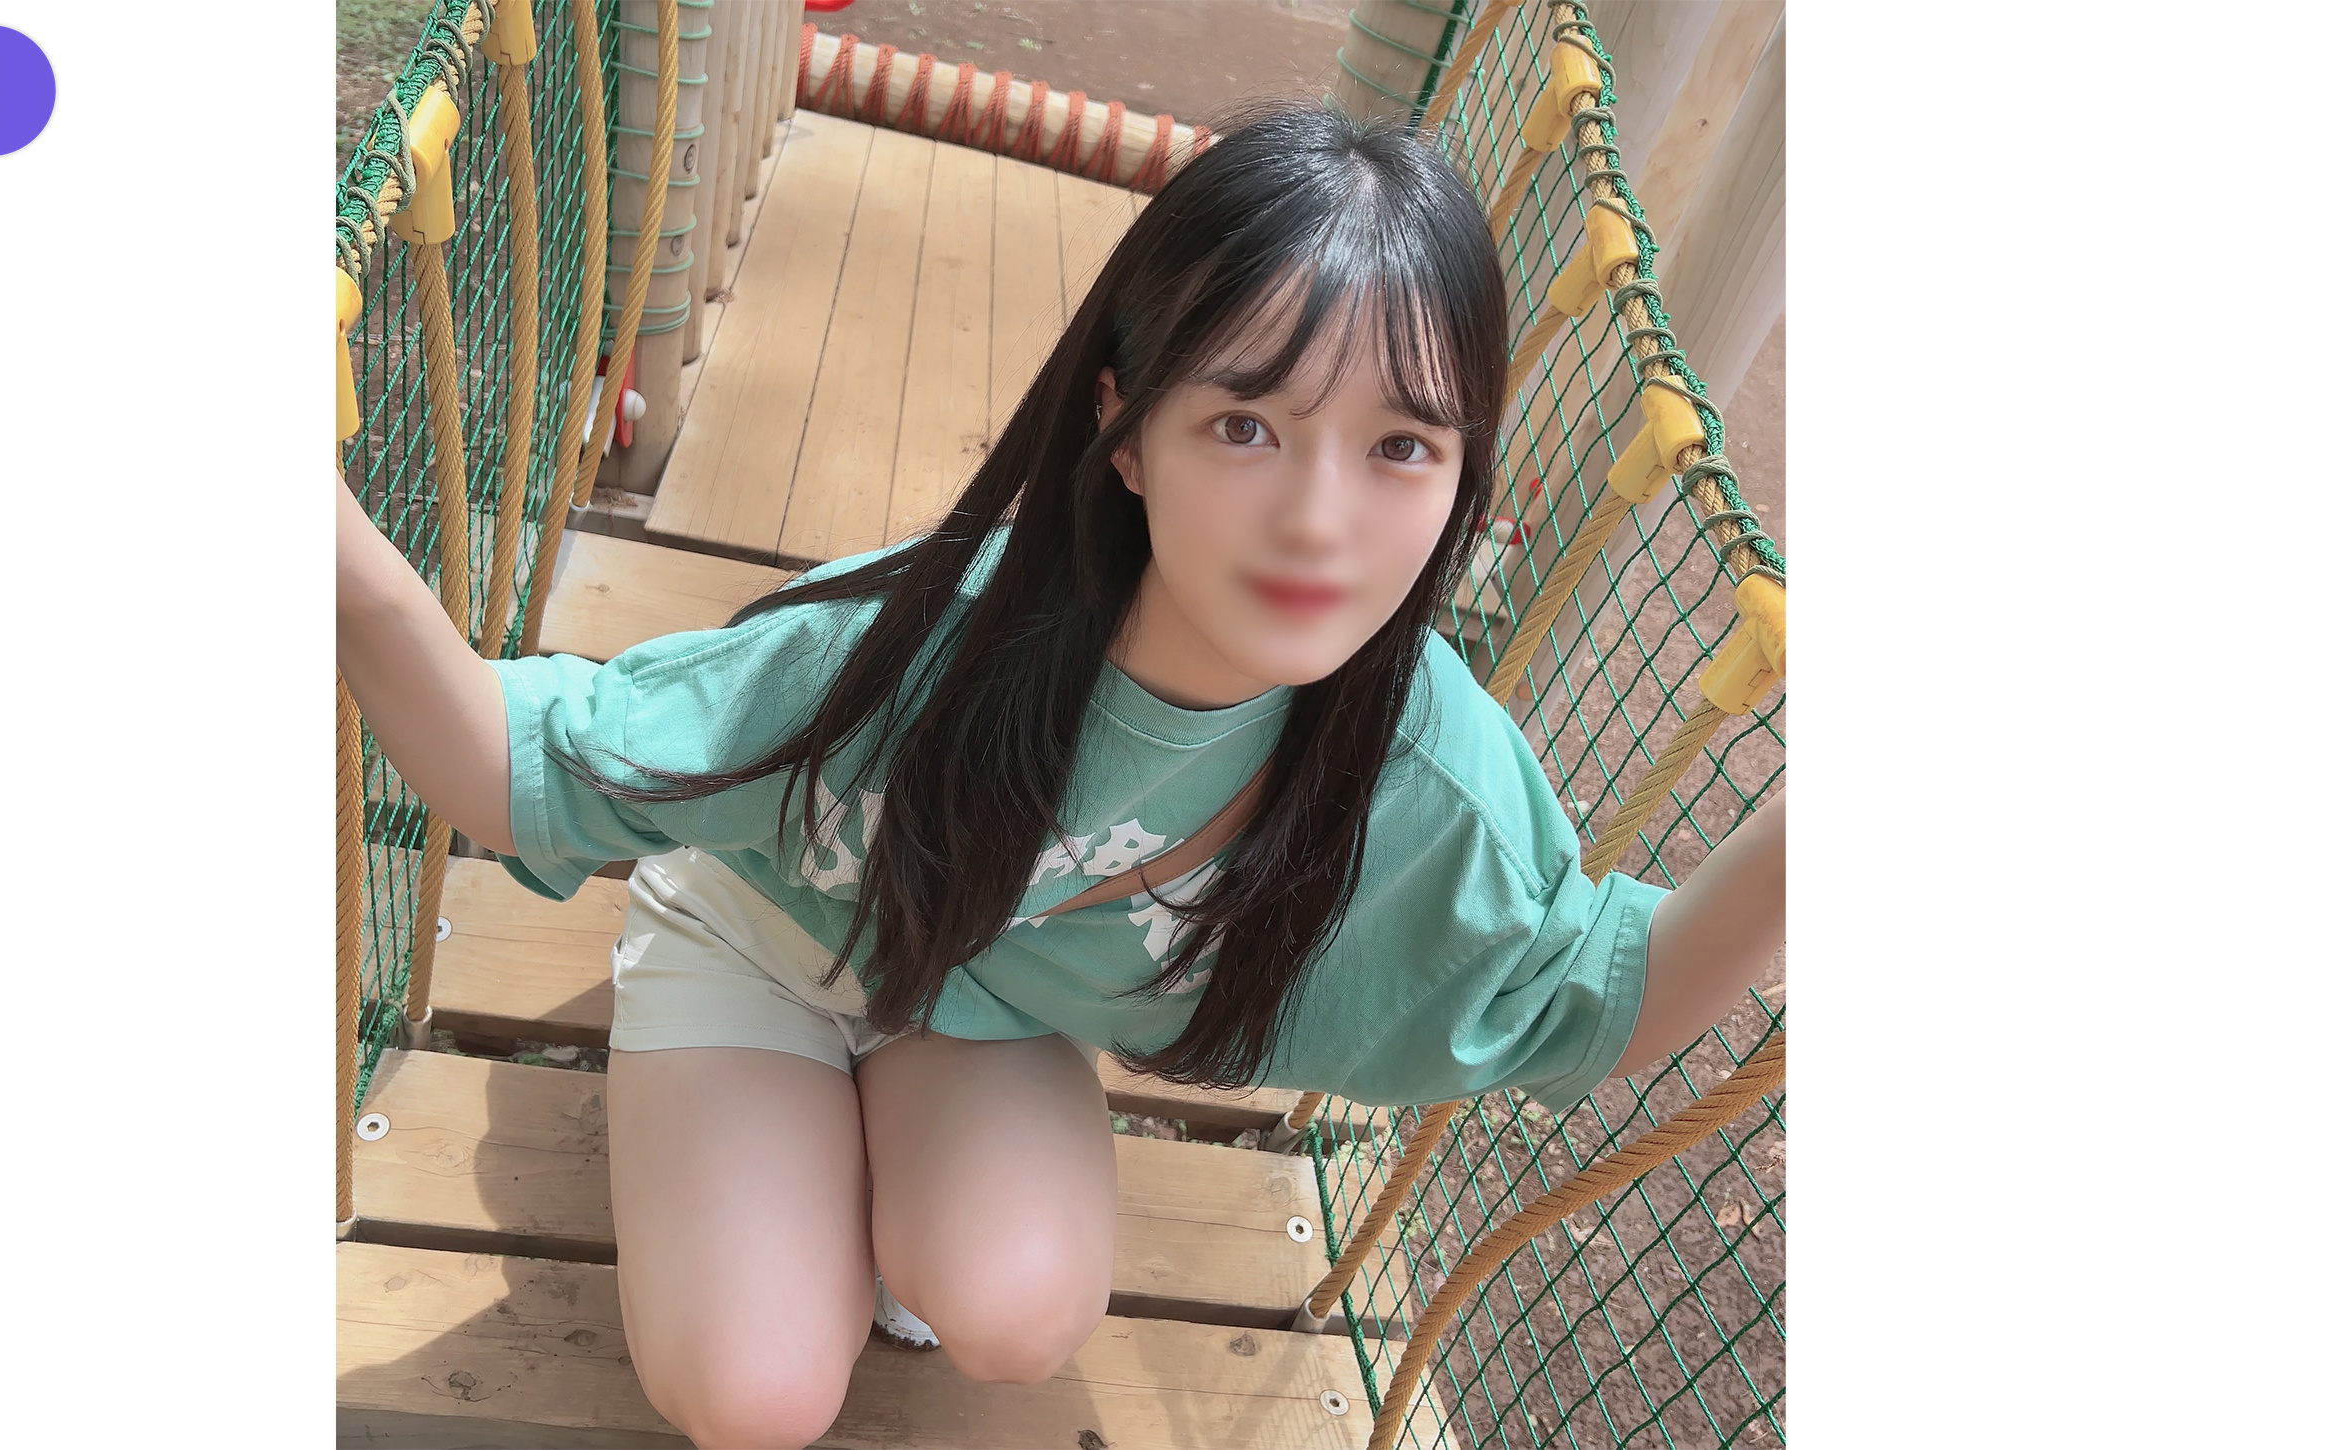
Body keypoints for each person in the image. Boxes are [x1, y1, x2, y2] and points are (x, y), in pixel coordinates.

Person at [337, 101, 1783, 1450]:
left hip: (981, 1001)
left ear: (1466, 478)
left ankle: (875, 1179)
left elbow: (1596, 995)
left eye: (1402, 446)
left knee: (1013, 1310)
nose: (1319, 520)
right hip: (772, 938)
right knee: (755, 1397)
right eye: (1244, 426)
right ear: (1127, 431)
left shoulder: (1419, 776)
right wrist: (348, 571)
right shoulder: (917, 650)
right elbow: (514, 761)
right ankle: (795, 1160)